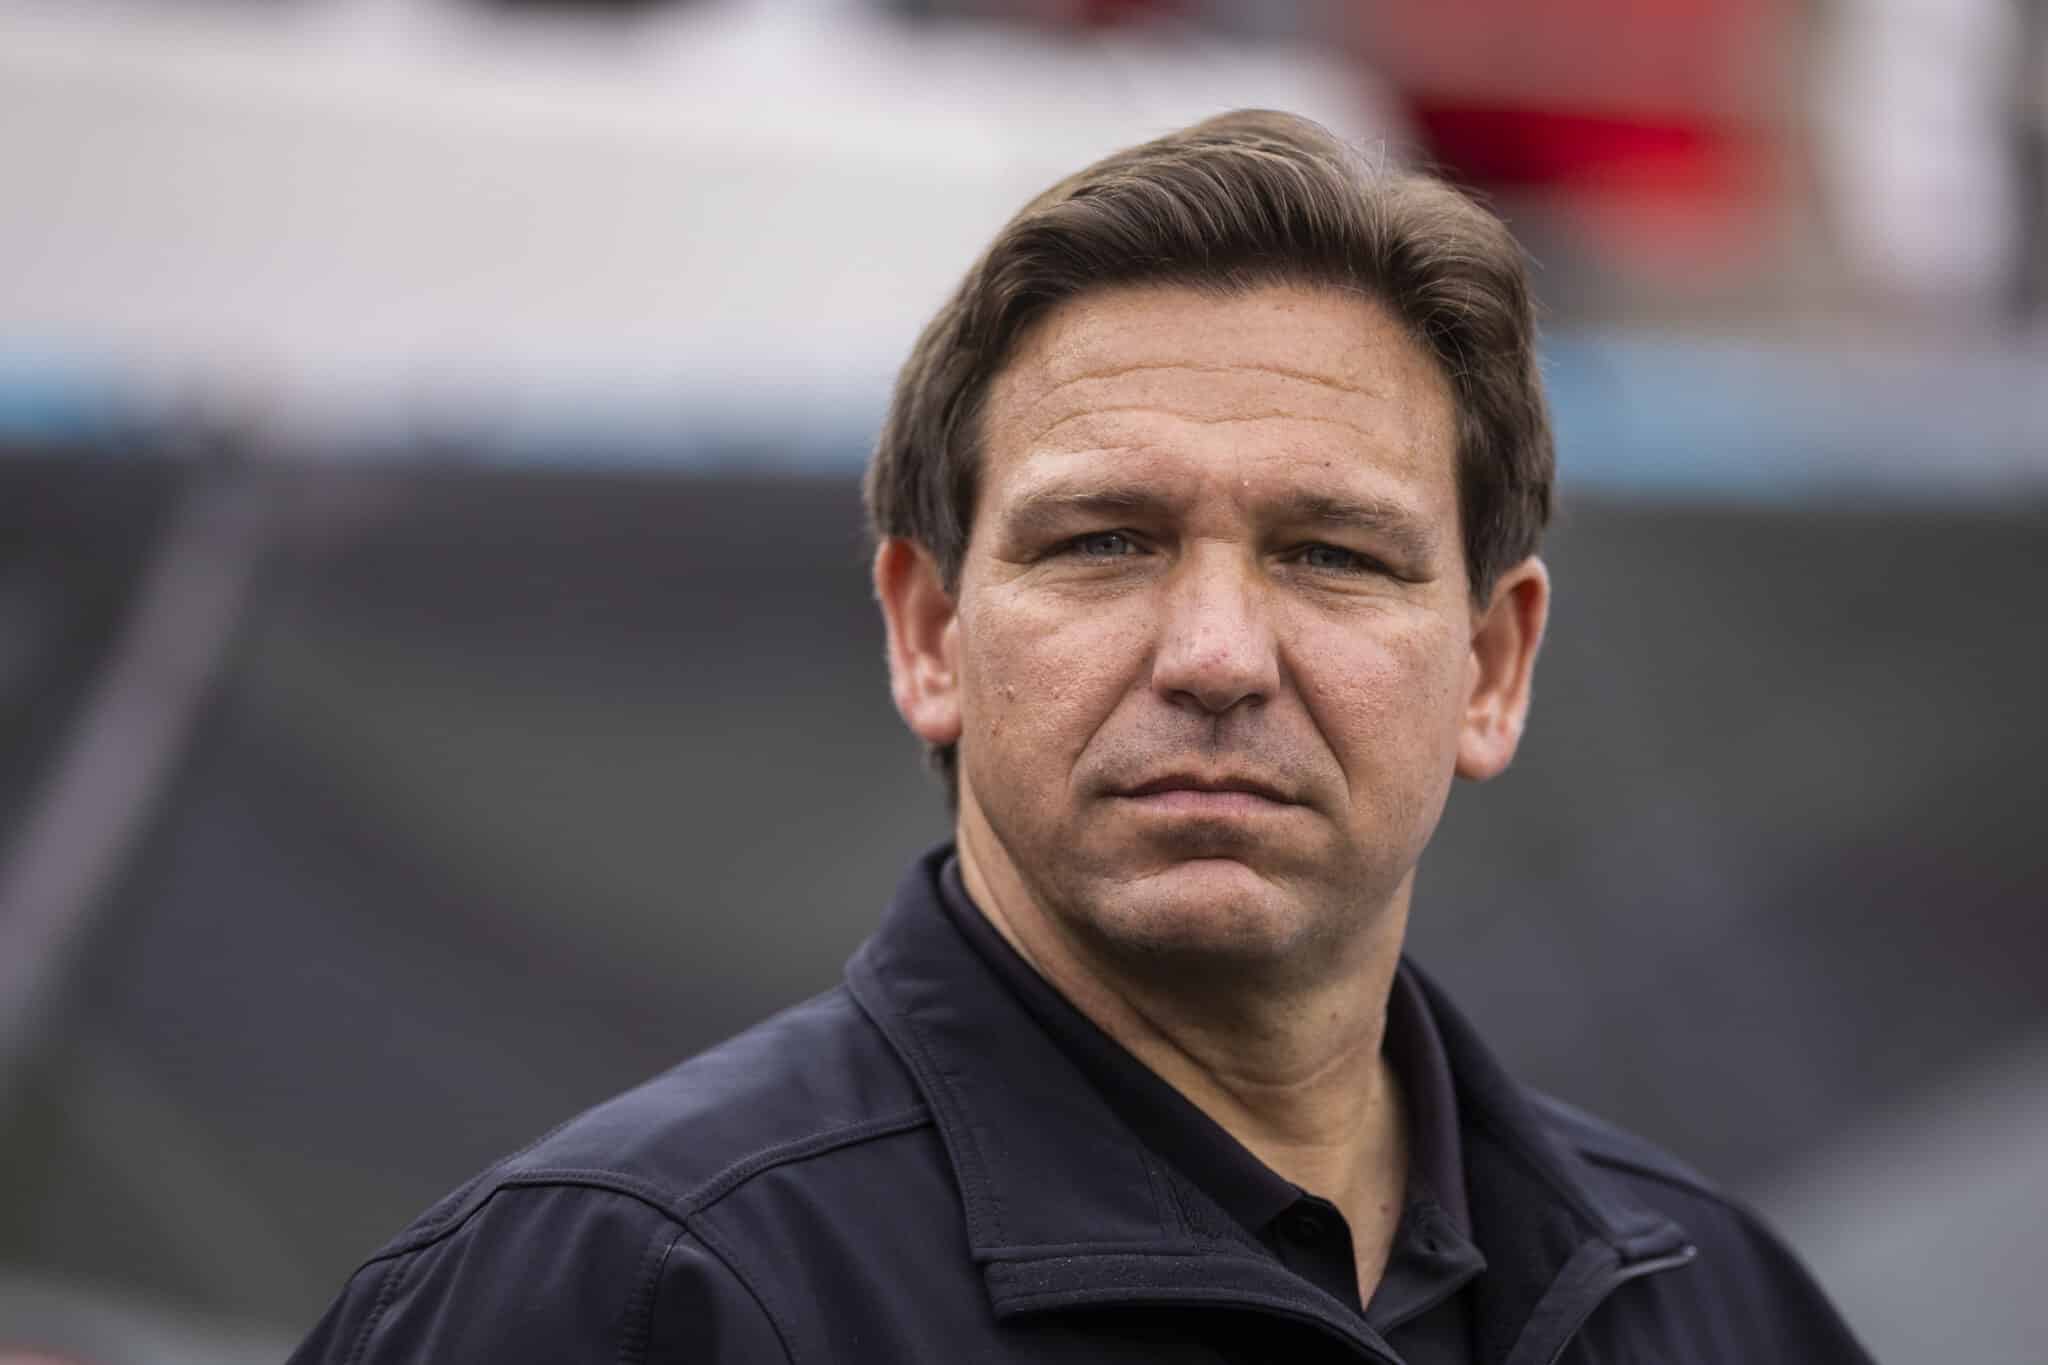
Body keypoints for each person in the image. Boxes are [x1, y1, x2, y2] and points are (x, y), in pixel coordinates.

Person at [291, 110, 1872, 1364]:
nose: (1214, 656)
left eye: (1331, 551)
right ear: (927, 635)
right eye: (1105, 540)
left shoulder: (1713, 1308)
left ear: (1490, 666)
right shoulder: (622, 1303)